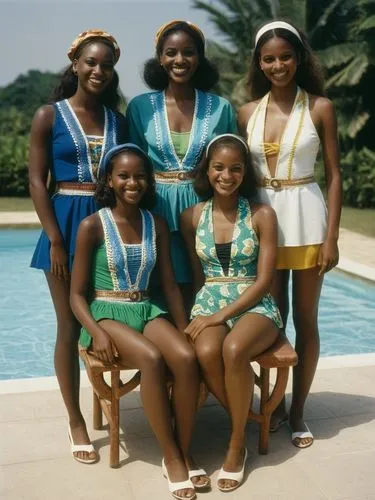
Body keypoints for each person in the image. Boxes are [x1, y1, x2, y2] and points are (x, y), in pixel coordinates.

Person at [70, 144, 209, 500]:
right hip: (106, 312)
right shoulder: (92, 226)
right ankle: (172, 456)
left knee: (186, 357)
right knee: (151, 358)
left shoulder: (156, 224)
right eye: (124, 176)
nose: (133, 182)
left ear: (149, 181)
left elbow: (167, 286)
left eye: (140, 176)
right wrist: (96, 332)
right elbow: (76, 294)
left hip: (146, 308)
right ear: (110, 181)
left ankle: (185, 446)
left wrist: (183, 327)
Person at [238, 21, 342, 448]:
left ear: (299, 58)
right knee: (270, 320)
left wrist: (332, 237)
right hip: (264, 224)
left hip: (307, 219)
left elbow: (335, 176)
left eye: (285, 56)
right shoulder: (246, 112)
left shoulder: (321, 107)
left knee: (305, 320)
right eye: (268, 58)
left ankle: (298, 411)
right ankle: (273, 405)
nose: (277, 65)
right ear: (258, 63)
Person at [29, 29, 126, 463]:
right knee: (69, 326)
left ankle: (111, 396)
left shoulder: (117, 120)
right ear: (75, 64)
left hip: (106, 225)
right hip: (65, 222)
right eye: (90, 62)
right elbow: (36, 179)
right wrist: (53, 237)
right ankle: (76, 421)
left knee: (105, 313)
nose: (98, 71)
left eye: (106, 64)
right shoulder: (48, 115)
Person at [180, 134, 282, 492]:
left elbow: (265, 280)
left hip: (255, 303)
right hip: (209, 300)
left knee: (234, 350)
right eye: (219, 168)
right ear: (206, 171)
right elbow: (197, 276)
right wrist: (202, 313)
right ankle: (247, 414)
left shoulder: (262, 214)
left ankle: (237, 442)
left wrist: (219, 317)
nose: (227, 175)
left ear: (245, 173)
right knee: (207, 351)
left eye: (236, 169)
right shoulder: (191, 216)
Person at [126, 20, 237, 308]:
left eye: (189, 52)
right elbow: (133, 166)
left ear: (199, 58)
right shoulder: (139, 107)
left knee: (202, 289)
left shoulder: (221, 107)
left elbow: (232, 165)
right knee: (159, 289)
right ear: (160, 58)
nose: (180, 60)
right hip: (154, 209)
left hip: (203, 210)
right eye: (171, 52)